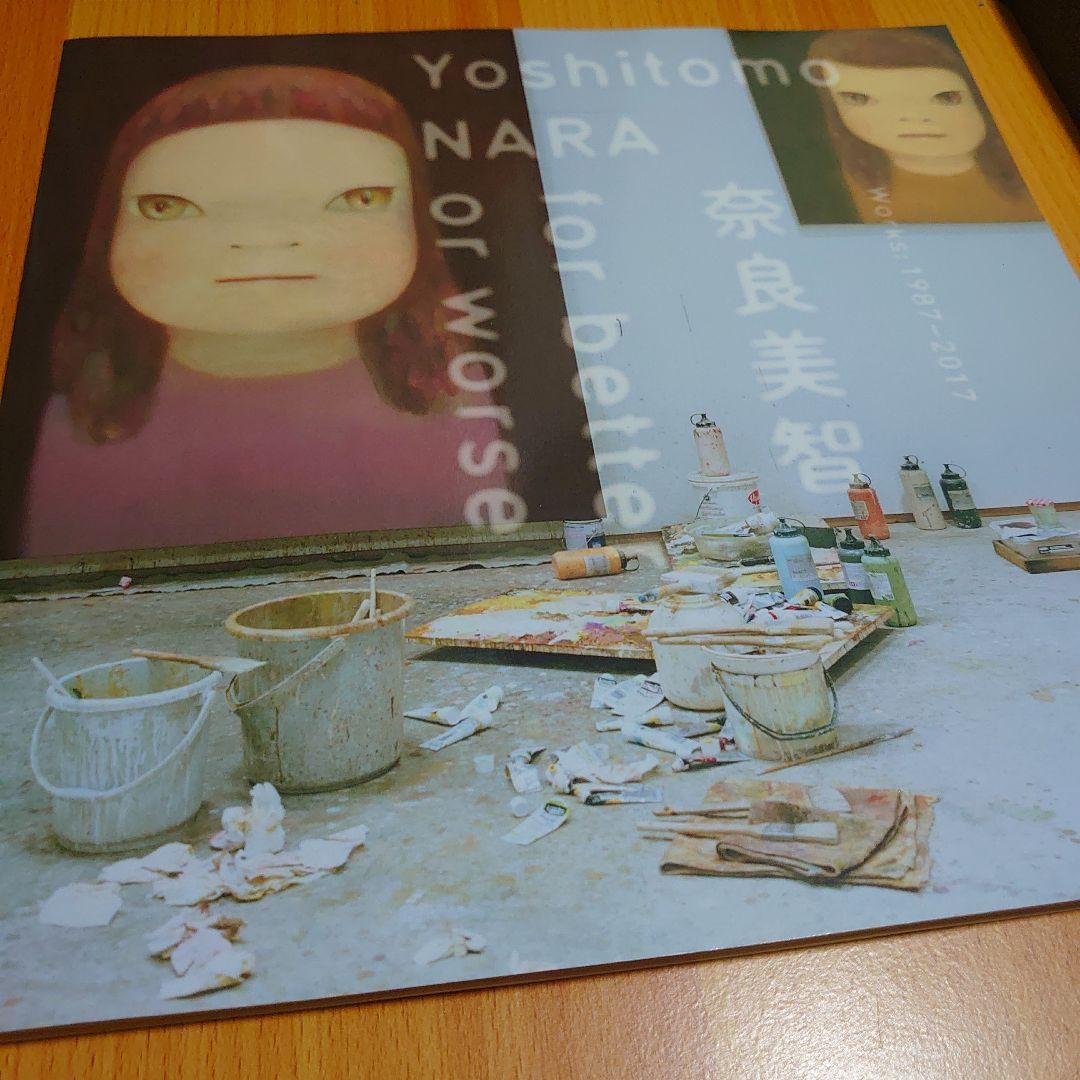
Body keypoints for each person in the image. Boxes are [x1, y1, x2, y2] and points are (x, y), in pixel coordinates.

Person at [19, 65, 506, 557]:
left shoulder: (446, 389)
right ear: (108, 227)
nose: (263, 242)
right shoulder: (91, 411)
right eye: (168, 206)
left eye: (357, 199)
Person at [807, 29, 1041, 224]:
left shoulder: (1035, 174)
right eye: (860, 99)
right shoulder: (838, 190)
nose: (910, 117)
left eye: (946, 98)